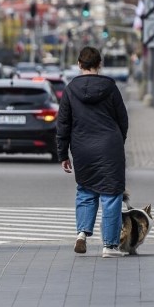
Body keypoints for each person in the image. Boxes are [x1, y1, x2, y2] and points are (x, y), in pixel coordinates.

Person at [57, 46, 129, 258]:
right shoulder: (111, 88)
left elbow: (63, 124)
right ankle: (109, 246)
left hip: (82, 147)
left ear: (79, 64)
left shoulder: (70, 89)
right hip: (109, 146)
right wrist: (118, 142)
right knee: (111, 194)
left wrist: (62, 154)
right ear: (100, 64)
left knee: (86, 190)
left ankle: (81, 234)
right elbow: (122, 119)